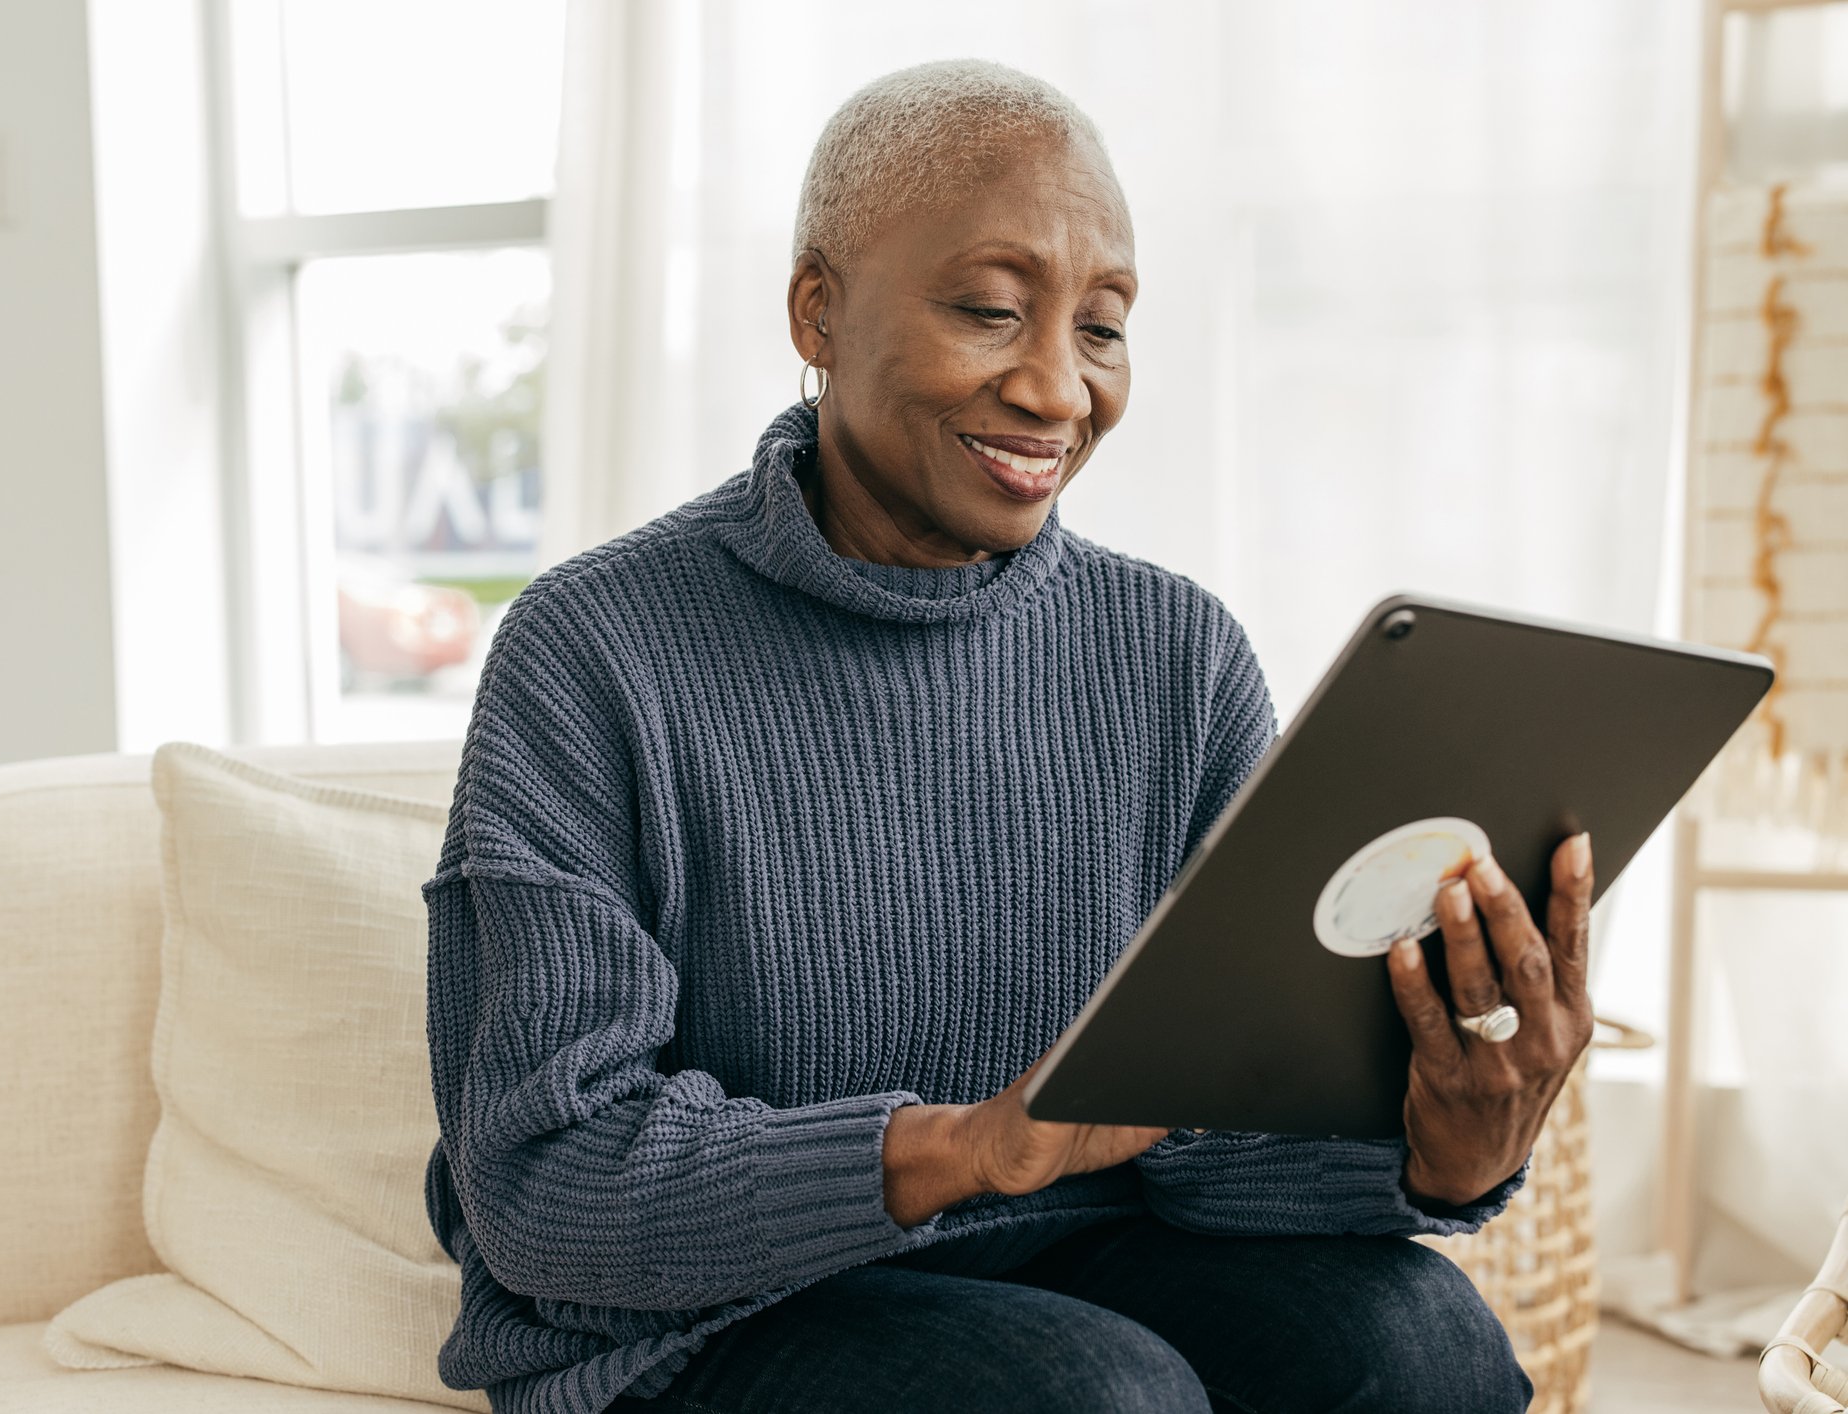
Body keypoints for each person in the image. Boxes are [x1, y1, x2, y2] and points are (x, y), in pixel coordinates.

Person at [423, 58, 1592, 1414]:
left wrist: (1439, 1149)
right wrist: (965, 1147)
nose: (1056, 389)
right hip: (713, 1311)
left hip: (1085, 1251)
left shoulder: (1175, 655)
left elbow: (1208, 1136)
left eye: (1101, 328)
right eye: (990, 310)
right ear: (818, 309)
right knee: (1096, 1395)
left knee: (1423, 1342)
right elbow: (542, 1184)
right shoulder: (595, 649)